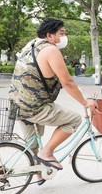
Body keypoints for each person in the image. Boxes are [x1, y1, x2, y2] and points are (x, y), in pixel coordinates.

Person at [9, 18, 96, 182]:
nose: (64, 37)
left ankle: (39, 173)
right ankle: (47, 152)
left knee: (32, 143)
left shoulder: (32, 45)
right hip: (33, 106)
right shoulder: (51, 50)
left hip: (17, 104)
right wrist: (85, 103)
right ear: (49, 35)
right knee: (74, 120)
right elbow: (67, 82)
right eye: (61, 33)